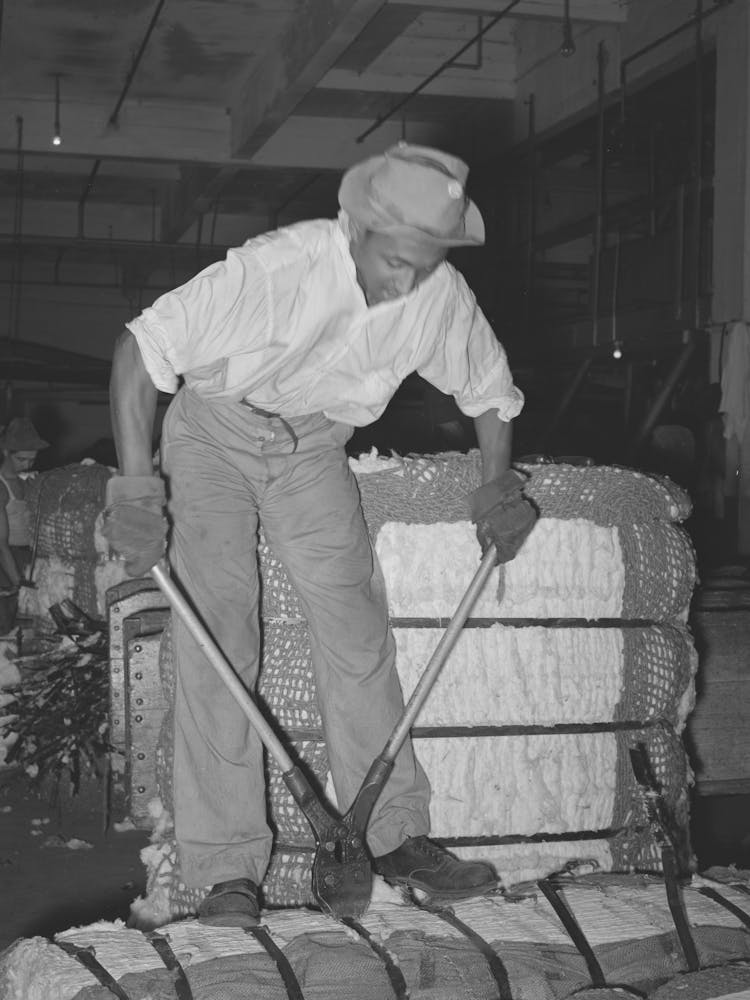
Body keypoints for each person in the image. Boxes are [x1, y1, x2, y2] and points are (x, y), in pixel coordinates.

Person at [104, 142, 537, 928]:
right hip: (215, 434)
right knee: (219, 635)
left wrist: (496, 483)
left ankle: (395, 833)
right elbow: (139, 353)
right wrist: (136, 490)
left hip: (313, 446)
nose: (405, 280)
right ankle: (227, 866)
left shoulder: (438, 295)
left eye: (426, 261)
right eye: (394, 258)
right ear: (354, 227)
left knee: (356, 627)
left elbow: (488, 390)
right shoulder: (276, 271)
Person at [0, 418, 48, 633]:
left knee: (30, 626)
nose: (28, 465)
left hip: (28, 556)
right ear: (5, 452)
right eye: (21, 459)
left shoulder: (25, 481)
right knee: (8, 622)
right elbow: (1, 544)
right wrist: (18, 582)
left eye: (32, 459)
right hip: (6, 561)